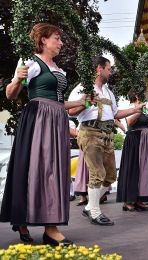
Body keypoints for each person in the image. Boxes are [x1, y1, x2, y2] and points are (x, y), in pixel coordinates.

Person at [0, 23, 91, 246]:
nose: (60, 43)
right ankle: (36, 224)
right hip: (39, 119)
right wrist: (17, 79)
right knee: (37, 168)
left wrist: (82, 102)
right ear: (43, 40)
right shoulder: (30, 62)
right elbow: (11, 95)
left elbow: (59, 101)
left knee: (54, 170)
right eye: (57, 38)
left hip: (57, 119)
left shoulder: (58, 68)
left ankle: (48, 226)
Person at [68, 57, 143, 226]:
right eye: (109, 69)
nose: (111, 72)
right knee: (97, 174)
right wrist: (86, 103)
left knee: (110, 176)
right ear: (99, 69)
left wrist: (134, 109)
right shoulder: (82, 88)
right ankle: (95, 212)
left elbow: (115, 114)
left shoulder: (109, 92)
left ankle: (89, 206)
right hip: (90, 132)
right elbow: (71, 111)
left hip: (107, 134)